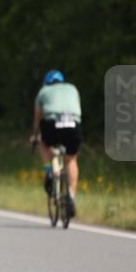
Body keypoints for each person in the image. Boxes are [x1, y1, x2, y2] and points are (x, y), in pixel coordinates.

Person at [31, 69, 81, 217]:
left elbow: (38, 117)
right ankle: (71, 196)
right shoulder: (72, 88)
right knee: (71, 159)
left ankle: (50, 171)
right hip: (73, 123)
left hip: (52, 123)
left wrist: (35, 135)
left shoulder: (43, 91)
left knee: (44, 143)